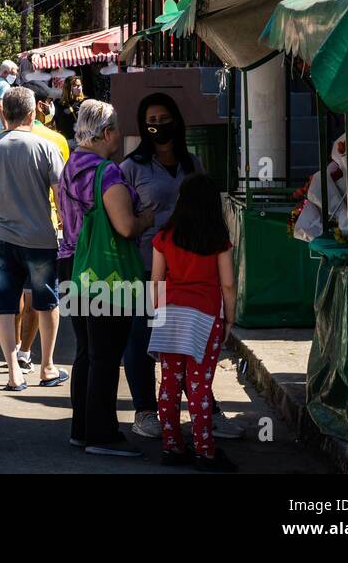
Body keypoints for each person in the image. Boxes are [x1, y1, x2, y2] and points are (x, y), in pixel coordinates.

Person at [58, 99, 154, 458]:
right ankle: (102, 434)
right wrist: (146, 219)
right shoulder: (107, 173)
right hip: (105, 271)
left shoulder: (71, 166)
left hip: (71, 264)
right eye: (116, 129)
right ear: (108, 132)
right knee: (106, 355)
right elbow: (125, 226)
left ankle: (81, 429)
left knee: (86, 352)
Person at [119, 92, 218, 441]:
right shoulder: (130, 168)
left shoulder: (193, 164)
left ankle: (205, 409)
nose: (159, 126)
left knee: (192, 340)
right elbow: (122, 221)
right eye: (152, 121)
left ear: (176, 121)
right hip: (147, 267)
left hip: (193, 271)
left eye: (164, 119)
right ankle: (145, 410)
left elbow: (208, 212)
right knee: (143, 337)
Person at [0, 86, 67, 391]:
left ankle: (14, 373)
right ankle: (47, 367)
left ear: (2, 113)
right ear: (32, 112)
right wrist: (65, 226)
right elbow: (60, 194)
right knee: (47, 301)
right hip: (40, 237)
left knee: (4, 306)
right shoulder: (45, 147)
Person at [148, 174, 238, 472]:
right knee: (200, 386)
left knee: (170, 383)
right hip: (205, 316)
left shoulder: (164, 236)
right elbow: (227, 286)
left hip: (169, 314)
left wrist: (156, 314)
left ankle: (172, 447)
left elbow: (156, 281)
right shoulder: (217, 240)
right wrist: (229, 319)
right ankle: (205, 451)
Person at [15, 101, 70, 375]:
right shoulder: (56, 140)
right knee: (40, 296)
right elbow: (62, 186)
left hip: (6, 228)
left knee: (13, 297)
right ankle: (27, 353)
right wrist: (65, 222)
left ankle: (13, 351)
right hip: (42, 226)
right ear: (37, 109)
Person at [53, 75, 85, 146]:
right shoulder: (58, 104)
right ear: (68, 88)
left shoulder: (85, 102)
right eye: (75, 86)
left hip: (82, 141)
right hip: (65, 141)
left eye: (80, 85)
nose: (79, 88)